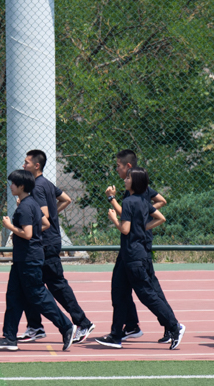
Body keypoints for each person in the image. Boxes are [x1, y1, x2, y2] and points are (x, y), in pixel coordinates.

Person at [95, 167, 186, 350]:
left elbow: (125, 229)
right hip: (134, 254)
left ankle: (175, 326)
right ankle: (115, 335)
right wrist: (142, 228)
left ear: (134, 182)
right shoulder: (143, 201)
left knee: (146, 294)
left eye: (128, 178)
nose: (125, 180)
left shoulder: (129, 201)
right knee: (119, 293)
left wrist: (114, 219)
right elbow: (160, 218)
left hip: (133, 256)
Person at [0, 170, 76, 352]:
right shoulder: (31, 204)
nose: (10, 186)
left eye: (13, 183)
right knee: (13, 296)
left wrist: (10, 227)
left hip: (29, 260)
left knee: (38, 295)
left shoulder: (24, 207)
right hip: (23, 259)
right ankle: (10, 337)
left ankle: (66, 326)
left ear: (21, 186)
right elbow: (45, 223)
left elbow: (28, 234)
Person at [18, 149, 95, 344]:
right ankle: (35, 326)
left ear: (36, 166)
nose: (23, 165)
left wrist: (38, 216)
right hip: (46, 242)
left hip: (45, 244)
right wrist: (53, 216)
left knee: (56, 286)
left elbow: (42, 215)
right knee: (30, 285)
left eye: (26, 162)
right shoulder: (47, 184)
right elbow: (66, 199)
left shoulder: (36, 187)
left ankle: (82, 322)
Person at [105, 149, 171, 343]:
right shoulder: (129, 191)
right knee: (119, 287)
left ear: (128, 167)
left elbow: (161, 201)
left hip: (138, 245)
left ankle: (171, 325)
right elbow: (126, 211)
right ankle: (130, 326)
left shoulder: (140, 189)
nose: (116, 169)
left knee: (150, 289)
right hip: (129, 246)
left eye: (118, 166)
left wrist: (141, 215)